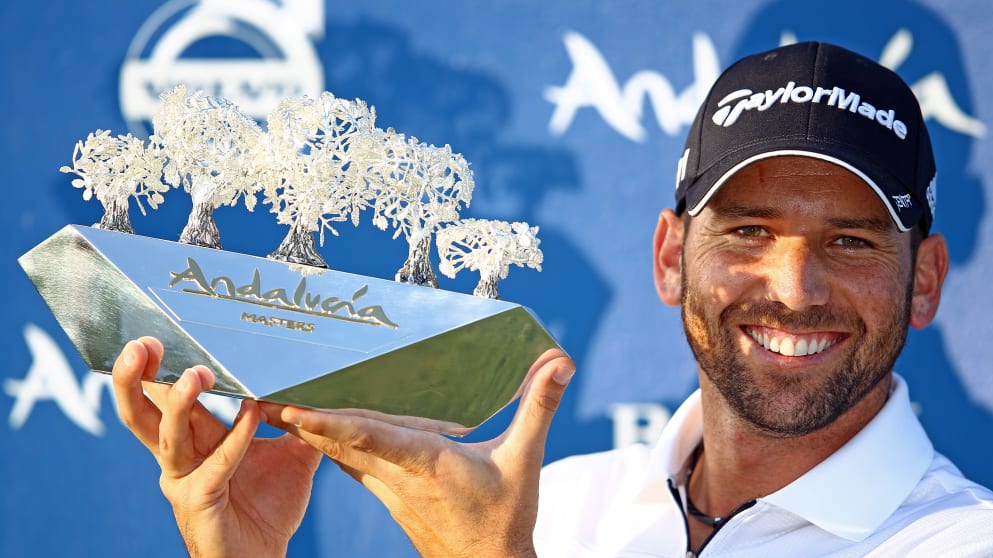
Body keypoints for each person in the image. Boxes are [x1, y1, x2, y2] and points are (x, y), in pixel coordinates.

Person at [111, 41, 993, 557]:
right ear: (668, 257)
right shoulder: (560, 507)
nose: (794, 290)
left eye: (848, 242)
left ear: (922, 281)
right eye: (748, 232)